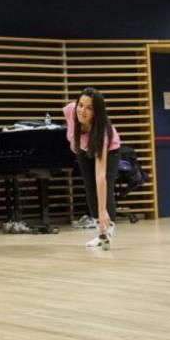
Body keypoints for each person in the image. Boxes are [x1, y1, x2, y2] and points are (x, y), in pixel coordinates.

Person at [63, 87, 121, 250]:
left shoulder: (101, 133)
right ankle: (99, 229)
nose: (82, 111)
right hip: (83, 148)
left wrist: (103, 210)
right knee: (89, 186)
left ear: (96, 112)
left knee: (104, 186)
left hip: (110, 151)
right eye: (81, 105)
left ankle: (107, 232)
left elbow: (100, 176)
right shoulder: (70, 110)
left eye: (89, 108)